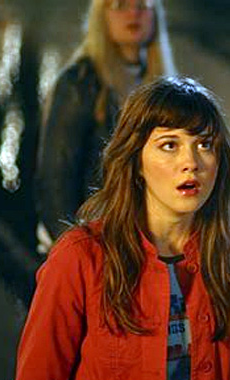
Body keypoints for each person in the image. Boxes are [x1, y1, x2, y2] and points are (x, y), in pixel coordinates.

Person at [8, 77, 230, 380]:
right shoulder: (81, 256)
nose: (191, 162)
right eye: (169, 145)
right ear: (136, 160)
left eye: (205, 144)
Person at [36, 0, 176, 242]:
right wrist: (76, 247)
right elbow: (55, 181)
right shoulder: (80, 83)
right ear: (101, 15)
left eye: (143, 5)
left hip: (142, 240)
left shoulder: (163, 86)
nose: (133, 13)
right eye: (120, 4)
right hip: (94, 239)